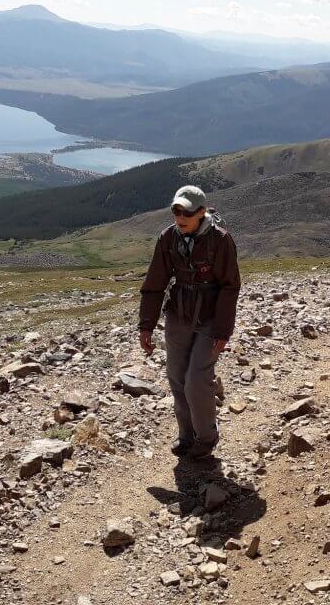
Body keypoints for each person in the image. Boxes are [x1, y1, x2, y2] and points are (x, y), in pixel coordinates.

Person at [139, 185, 240, 459]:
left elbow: (230, 287)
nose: (180, 217)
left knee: (196, 379)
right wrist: (146, 325)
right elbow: (155, 284)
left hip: (210, 317)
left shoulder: (220, 240)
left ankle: (206, 438)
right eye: (176, 211)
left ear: (201, 213)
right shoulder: (168, 238)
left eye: (186, 212)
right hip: (179, 314)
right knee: (176, 376)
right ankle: (186, 436)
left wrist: (223, 330)